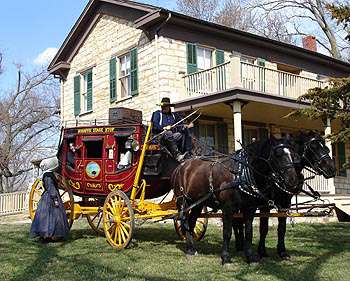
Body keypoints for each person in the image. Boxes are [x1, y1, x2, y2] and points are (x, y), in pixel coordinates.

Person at [30, 157, 69, 241]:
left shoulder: (48, 174)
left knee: (50, 216)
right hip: (50, 197)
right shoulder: (48, 175)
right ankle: (48, 235)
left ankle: (50, 235)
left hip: (48, 196)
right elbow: (50, 188)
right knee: (52, 216)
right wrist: (55, 198)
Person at [151, 97, 193, 162]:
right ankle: (176, 154)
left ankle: (188, 152)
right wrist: (164, 128)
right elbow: (154, 125)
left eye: (165, 106)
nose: (163, 107)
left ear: (169, 106)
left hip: (172, 137)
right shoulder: (157, 114)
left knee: (182, 133)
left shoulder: (174, 115)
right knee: (168, 133)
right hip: (160, 137)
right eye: (162, 106)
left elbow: (180, 125)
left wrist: (184, 126)